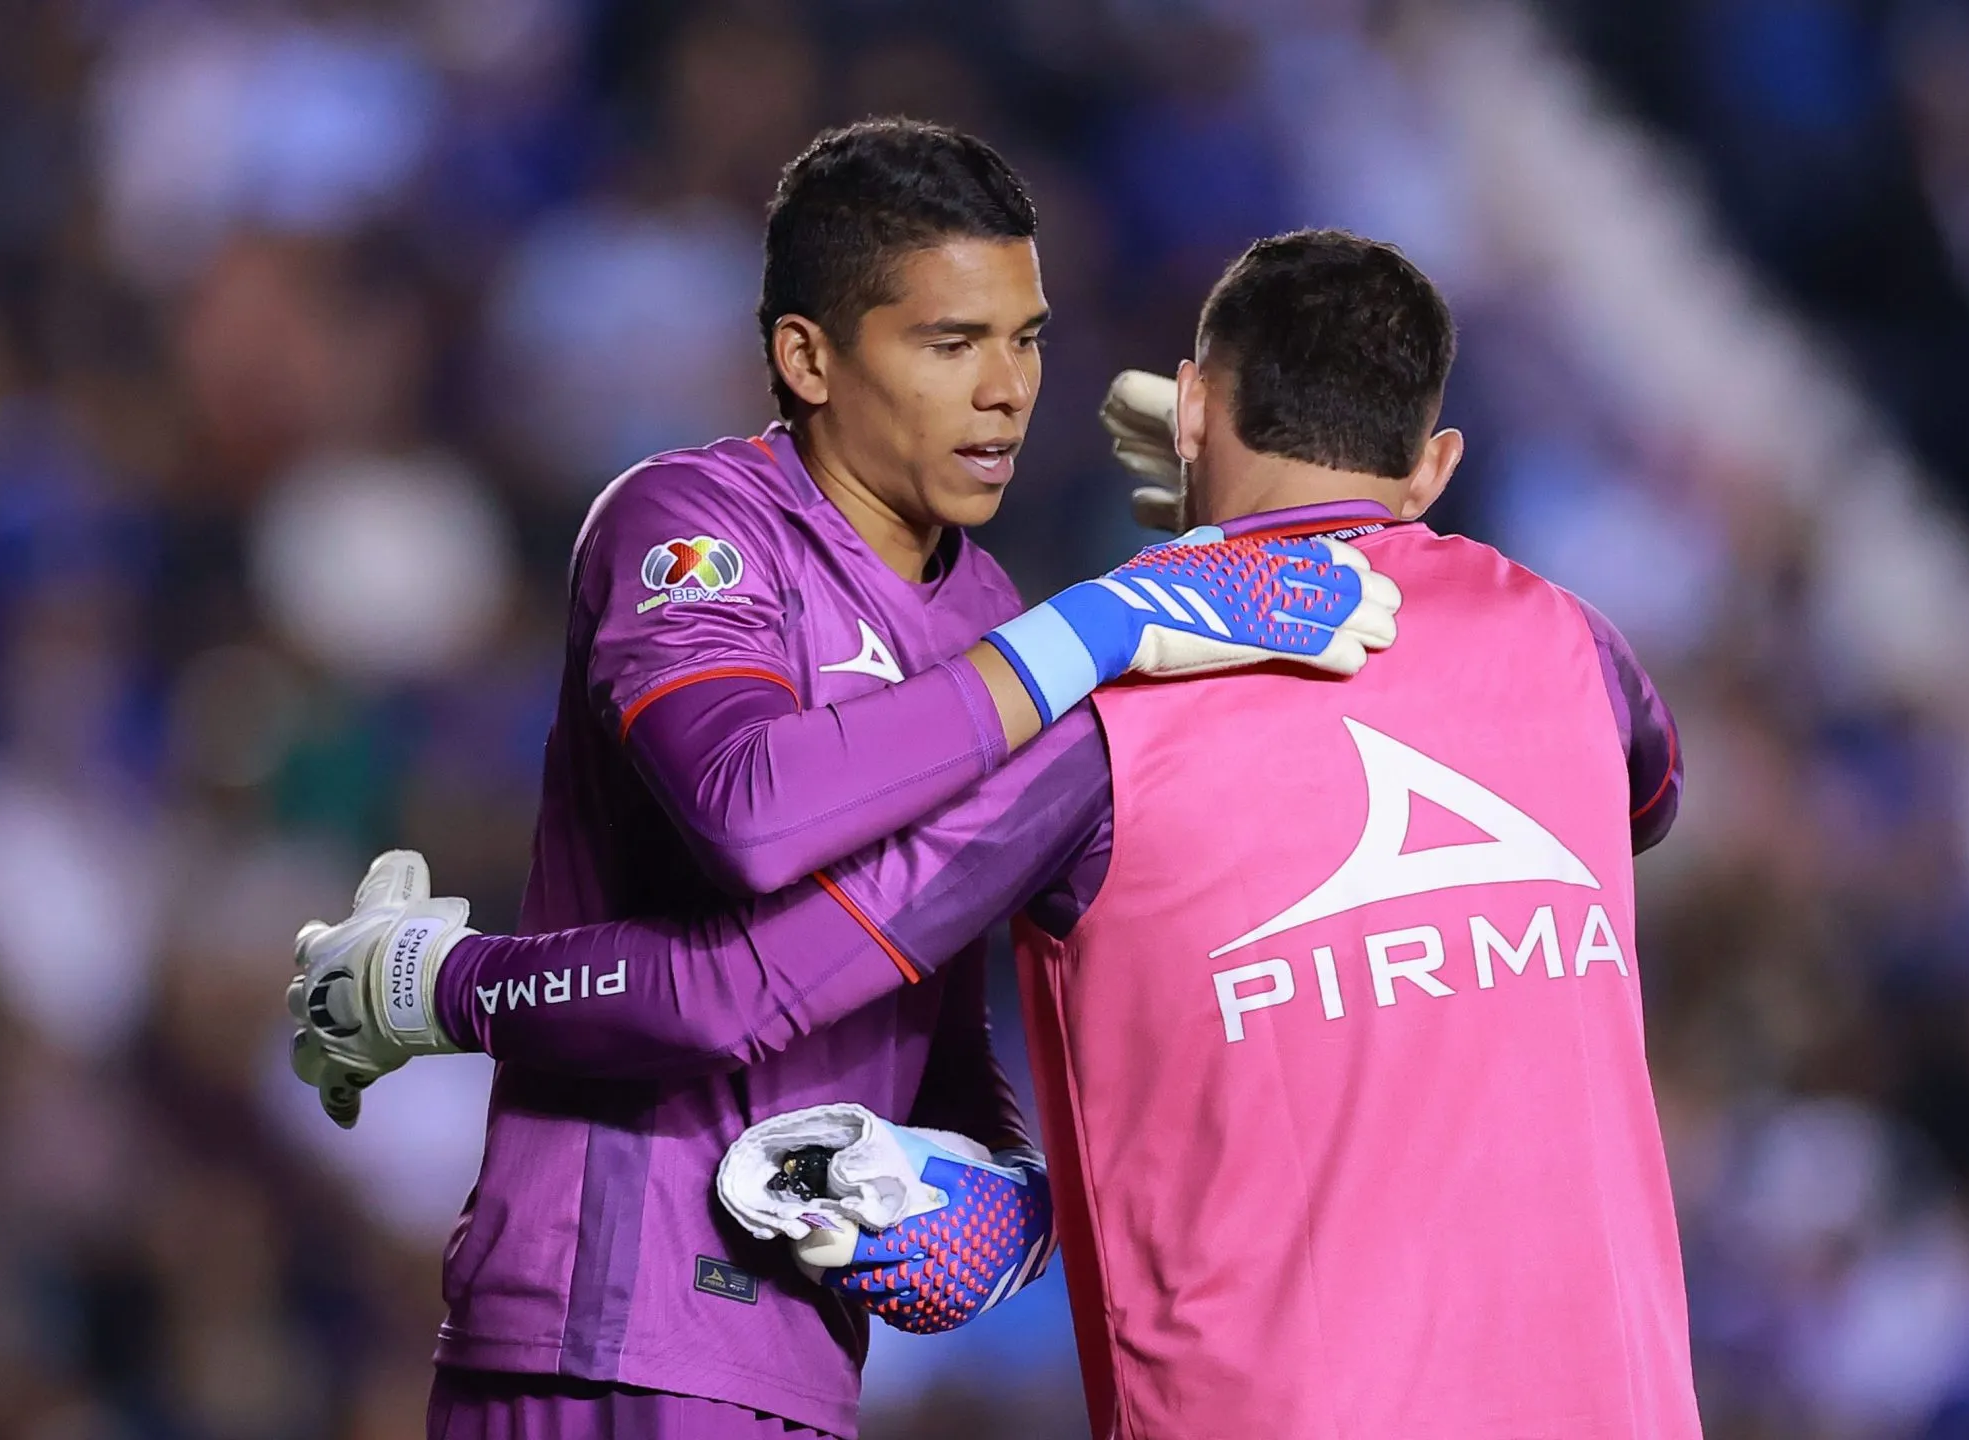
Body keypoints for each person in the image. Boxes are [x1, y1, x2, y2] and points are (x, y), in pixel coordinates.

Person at [296, 226, 1690, 1436]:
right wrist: (1022, 1211)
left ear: (1192, 411)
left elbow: (737, 989)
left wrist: (435, 982)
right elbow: (1639, 797)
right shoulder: (1575, 653)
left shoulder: (1110, 726)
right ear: (1435, 460)